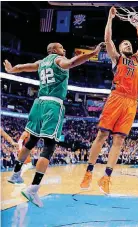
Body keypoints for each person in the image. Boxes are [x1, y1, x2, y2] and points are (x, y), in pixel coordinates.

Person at [4, 41, 103, 207]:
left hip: (38, 104)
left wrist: (12, 69)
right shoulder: (58, 60)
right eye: (62, 48)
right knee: (49, 147)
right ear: (54, 50)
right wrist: (93, 53)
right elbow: (72, 62)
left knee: (31, 142)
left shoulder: (41, 63)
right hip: (53, 105)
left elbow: (23, 67)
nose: (64, 49)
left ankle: (15, 174)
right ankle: (33, 189)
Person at [80, 6, 138, 194]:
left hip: (132, 102)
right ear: (119, 49)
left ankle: (106, 177)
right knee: (102, 135)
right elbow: (107, 40)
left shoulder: (137, 58)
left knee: (119, 140)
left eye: (129, 44)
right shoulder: (117, 58)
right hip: (117, 97)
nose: (127, 45)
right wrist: (110, 18)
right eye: (124, 44)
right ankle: (89, 171)